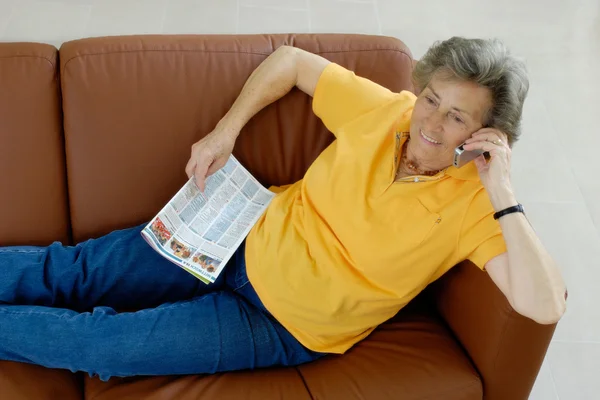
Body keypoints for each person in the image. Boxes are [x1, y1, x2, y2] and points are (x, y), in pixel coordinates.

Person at [0, 37, 567, 381]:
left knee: (107, 347)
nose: (430, 124)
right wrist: (227, 131)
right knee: (73, 271)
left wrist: (503, 192)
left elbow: (542, 307)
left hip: (279, 326)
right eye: (432, 100)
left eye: (457, 118)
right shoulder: (387, 112)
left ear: (489, 135)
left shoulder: (476, 206)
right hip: (238, 233)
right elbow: (292, 61)